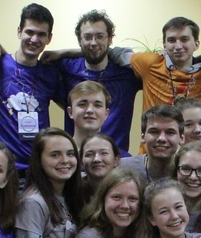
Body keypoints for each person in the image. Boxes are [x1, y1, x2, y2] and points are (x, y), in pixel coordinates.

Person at [0, 3, 65, 169]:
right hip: (1, 167)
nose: (34, 39)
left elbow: (71, 107)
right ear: (19, 32)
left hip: (38, 168)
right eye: (29, 32)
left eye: (41, 34)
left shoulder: (50, 72)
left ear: (49, 38)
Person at [57, 9, 142, 153]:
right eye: (87, 37)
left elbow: (157, 66)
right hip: (76, 158)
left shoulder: (128, 74)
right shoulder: (65, 69)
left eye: (100, 37)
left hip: (117, 159)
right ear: (79, 40)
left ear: (110, 39)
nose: (93, 43)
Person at [125, 16, 201, 114]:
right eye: (171, 40)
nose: (178, 46)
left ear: (196, 44)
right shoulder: (150, 64)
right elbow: (119, 54)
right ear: (164, 45)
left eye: (184, 39)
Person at [119, 104, 184, 181]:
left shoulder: (189, 171)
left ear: (181, 138)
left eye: (170, 132)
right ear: (142, 137)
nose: (161, 138)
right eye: (154, 132)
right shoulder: (122, 168)